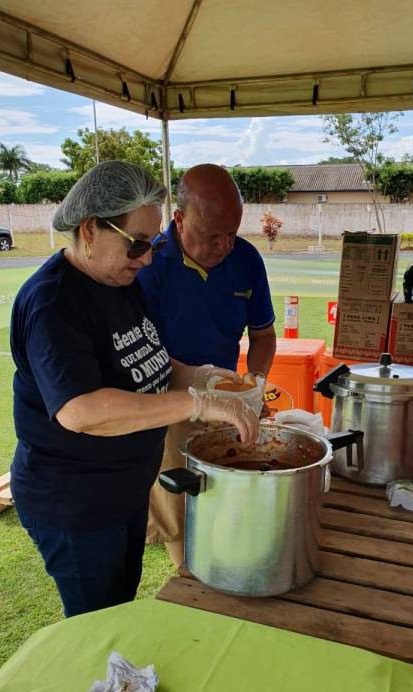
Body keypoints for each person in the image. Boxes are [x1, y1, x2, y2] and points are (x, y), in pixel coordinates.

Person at [9, 160, 259, 618]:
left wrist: (212, 380)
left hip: (123, 491)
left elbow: (154, 364)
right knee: (98, 623)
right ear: (90, 230)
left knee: (120, 605)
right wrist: (198, 402)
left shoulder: (119, 282)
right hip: (76, 502)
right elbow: (81, 410)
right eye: (138, 243)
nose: (147, 258)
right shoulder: (53, 303)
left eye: (154, 243)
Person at [138, 164, 276, 567]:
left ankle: (224, 561)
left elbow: (263, 335)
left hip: (228, 398)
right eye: (213, 235)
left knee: (227, 490)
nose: (225, 245)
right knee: (176, 504)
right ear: (179, 220)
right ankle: (187, 574)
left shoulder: (246, 259)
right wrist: (197, 393)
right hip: (168, 403)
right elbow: (142, 355)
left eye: (232, 232)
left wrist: (254, 383)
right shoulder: (149, 265)